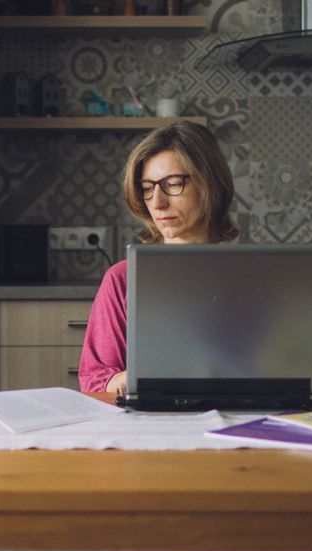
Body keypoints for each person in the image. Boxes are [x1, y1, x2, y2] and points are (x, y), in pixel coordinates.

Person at [78, 121, 239, 395]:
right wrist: (145, 376)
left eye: (173, 184)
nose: (157, 202)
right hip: (148, 425)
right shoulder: (123, 279)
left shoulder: (253, 275)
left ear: (211, 183)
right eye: (148, 188)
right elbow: (94, 381)